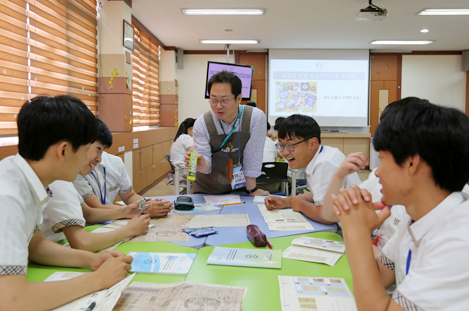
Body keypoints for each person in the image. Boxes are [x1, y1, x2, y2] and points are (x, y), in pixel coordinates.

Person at [331, 97, 469, 310]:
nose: (377, 171)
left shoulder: (459, 241)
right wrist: (352, 220)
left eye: (383, 159)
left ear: (412, 163)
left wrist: (356, 232)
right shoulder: (414, 217)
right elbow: (379, 274)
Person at [0, 95, 132, 310]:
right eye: (86, 148)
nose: (92, 159)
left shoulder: (26, 179)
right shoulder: (7, 196)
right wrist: (98, 280)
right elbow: (11, 300)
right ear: (63, 151)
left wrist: (91, 260)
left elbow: (37, 246)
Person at [43, 137, 151, 252]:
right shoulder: (59, 183)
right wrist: (129, 230)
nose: (99, 159)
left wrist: (126, 211)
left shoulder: (62, 178)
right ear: (65, 149)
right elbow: (82, 243)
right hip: (57, 245)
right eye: (86, 150)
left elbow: (88, 213)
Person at [264, 114, 361, 223]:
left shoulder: (324, 163)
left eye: (290, 145)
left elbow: (326, 216)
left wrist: (300, 205)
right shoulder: (324, 154)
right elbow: (317, 194)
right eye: (281, 145)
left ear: (312, 143)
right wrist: (286, 202)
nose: (285, 152)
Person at [185, 70, 269, 195]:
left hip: (239, 189)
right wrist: (202, 165)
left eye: (224, 100)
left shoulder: (255, 118)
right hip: (207, 190)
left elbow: (253, 157)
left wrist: (252, 190)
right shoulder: (202, 123)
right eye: (213, 100)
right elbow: (205, 160)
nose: (218, 106)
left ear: (239, 98)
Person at [73, 119, 172, 217]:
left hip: (114, 218)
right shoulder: (75, 171)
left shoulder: (115, 162)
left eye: (102, 151)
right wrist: (143, 210)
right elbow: (96, 207)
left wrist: (148, 204)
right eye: (98, 149)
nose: (99, 158)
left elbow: (130, 196)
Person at [165, 118, 195, 189]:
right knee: (207, 172)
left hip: (178, 170)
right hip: (183, 171)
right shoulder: (186, 137)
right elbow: (195, 153)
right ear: (192, 128)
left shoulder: (180, 137)